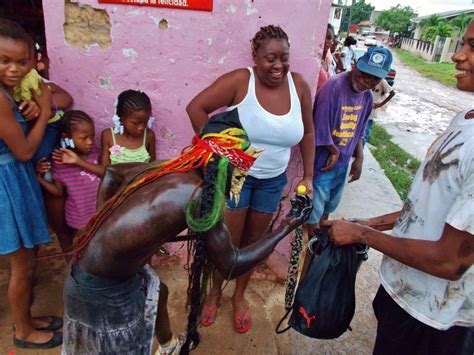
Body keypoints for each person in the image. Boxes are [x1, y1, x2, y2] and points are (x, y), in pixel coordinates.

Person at [61, 109, 313, 354]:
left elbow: (112, 173)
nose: (242, 177)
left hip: (98, 268)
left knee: (158, 293)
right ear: (226, 165)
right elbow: (231, 265)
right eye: (241, 170)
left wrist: (105, 227)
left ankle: (168, 345)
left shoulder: (173, 166)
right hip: (99, 287)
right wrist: (286, 226)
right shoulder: (202, 197)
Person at [324, 20, 474, 355]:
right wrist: (366, 223)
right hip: (403, 292)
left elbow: (451, 262)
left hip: (436, 317)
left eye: (472, 47)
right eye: (462, 43)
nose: (457, 56)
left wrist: (363, 236)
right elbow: (427, 206)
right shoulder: (463, 119)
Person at [186, 24, 315, 333]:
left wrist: (309, 176)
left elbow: (308, 132)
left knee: (255, 243)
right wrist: (220, 152)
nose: (279, 66)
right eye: (271, 58)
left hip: (273, 181)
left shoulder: (298, 86)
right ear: (255, 56)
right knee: (227, 243)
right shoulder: (240, 81)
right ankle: (215, 292)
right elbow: (196, 108)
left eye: (284, 58)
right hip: (237, 179)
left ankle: (239, 295)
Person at [0, 18, 62, 349]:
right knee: (22, 264)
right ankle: (23, 332)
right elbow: (24, 151)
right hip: (6, 184)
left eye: (21, 62)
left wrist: (30, 111)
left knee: (30, 257)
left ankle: (26, 317)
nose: (14, 69)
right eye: (4, 60)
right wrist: (44, 111)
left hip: (14, 179)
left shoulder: (8, 93)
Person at [305, 46, 393, 235]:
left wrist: (359, 158)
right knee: (313, 214)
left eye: (374, 78)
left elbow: (359, 130)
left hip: (342, 164)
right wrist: (333, 150)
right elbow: (319, 125)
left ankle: (319, 248)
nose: (366, 81)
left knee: (328, 209)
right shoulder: (333, 87)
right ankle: (309, 248)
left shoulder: (367, 97)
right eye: (364, 74)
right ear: (355, 66)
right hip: (323, 164)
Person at [36, 110, 105, 245]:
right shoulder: (59, 163)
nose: (90, 142)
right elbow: (59, 191)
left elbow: (105, 173)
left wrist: (78, 161)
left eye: (92, 136)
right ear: (66, 137)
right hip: (79, 217)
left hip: (100, 212)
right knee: (83, 246)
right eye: (84, 138)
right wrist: (39, 178)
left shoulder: (93, 152)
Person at [101, 89, 156, 166]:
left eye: (145, 122)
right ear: (121, 118)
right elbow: (105, 170)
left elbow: (152, 166)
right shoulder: (108, 135)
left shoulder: (149, 136)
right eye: (136, 123)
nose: (141, 127)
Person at [362, 78, 395, 145]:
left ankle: (359, 152)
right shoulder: (365, 78)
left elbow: (392, 93)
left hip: (371, 112)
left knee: (364, 134)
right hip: (360, 109)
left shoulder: (382, 81)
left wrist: (380, 104)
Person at [317, 24, 335, 90]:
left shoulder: (328, 60)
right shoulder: (315, 61)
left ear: (332, 41)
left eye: (329, 38)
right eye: (323, 36)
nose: (325, 41)